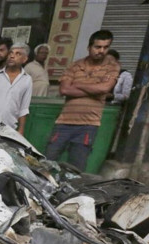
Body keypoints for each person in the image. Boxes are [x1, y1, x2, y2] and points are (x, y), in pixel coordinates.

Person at [45, 30, 119, 171]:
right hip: (63, 123)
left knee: (75, 168)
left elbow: (104, 88)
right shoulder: (75, 66)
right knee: (47, 162)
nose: (101, 51)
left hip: (88, 125)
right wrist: (94, 89)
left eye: (105, 47)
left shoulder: (112, 67)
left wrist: (78, 84)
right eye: (98, 47)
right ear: (89, 47)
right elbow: (65, 90)